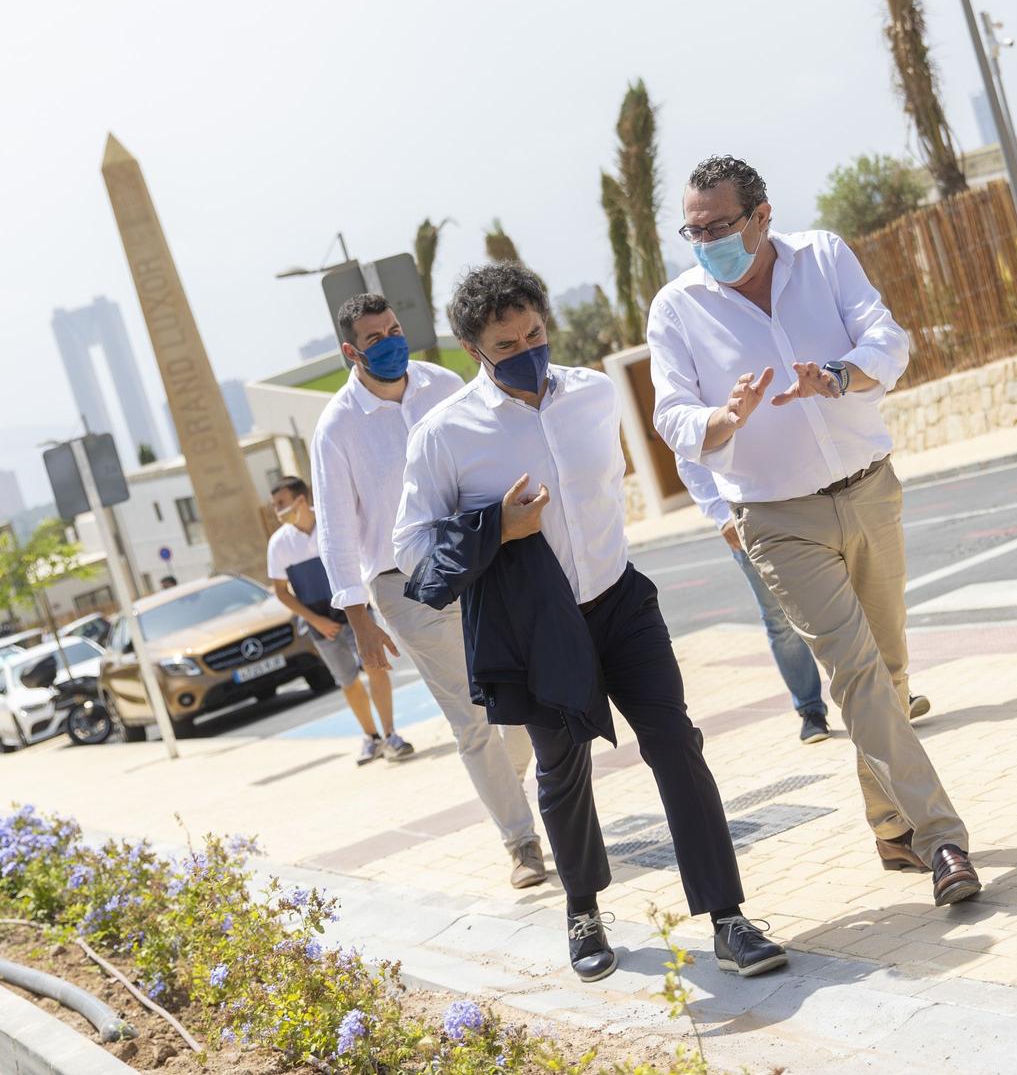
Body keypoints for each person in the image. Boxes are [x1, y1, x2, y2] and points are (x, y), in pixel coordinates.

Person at [394, 262, 787, 983]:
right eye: (507, 346)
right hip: (538, 630)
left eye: (535, 333)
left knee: (674, 741)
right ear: (474, 350)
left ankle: (728, 918)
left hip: (620, 601)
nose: (527, 351)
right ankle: (582, 908)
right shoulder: (445, 435)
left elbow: (655, 461)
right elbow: (413, 554)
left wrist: (718, 468)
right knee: (561, 768)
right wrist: (496, 530)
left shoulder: (595, 395)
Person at [646, 154, 980, 908]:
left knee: (890, 671)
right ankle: (942, 839)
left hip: (868, 491)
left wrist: (836, 374)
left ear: (762, 216)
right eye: (692, 230)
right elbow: (671, 415)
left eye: (719, 226)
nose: (705, 242)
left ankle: (891, 823)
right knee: (857, 673)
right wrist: (721, 421)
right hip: (776, 519)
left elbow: (888, 341)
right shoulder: (677, 309)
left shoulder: (824, 257)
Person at [308, 293, 546, 889]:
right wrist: (358, 617)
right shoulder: (336, 426)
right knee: (471, 719)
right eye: (375, 338)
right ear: (350, 352)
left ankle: (503, 785)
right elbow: (336, 528)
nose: (391, 342)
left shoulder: (444, 384)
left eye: (394, 329)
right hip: (404, 586)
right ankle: (520, 842)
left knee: (515, 700)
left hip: (479, 559)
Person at [675, 455, 831, 745]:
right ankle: (811, 710)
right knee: (780, 619)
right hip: (747, 517)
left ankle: (889, 690)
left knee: (845, 593)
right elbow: (688, 455)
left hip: (805, 497)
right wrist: (721, 516)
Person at [266, 476, 412, 765]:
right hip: (321, 624)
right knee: (348, 681)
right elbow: (282, 592)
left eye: (281, 503)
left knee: (376, 669)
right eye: (274, 505)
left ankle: (391, 735)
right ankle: (371, 738)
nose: (277, 511)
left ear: (299, 500)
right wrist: (315, 622)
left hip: (354, 611)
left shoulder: (333, 525)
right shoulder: (279, 544)